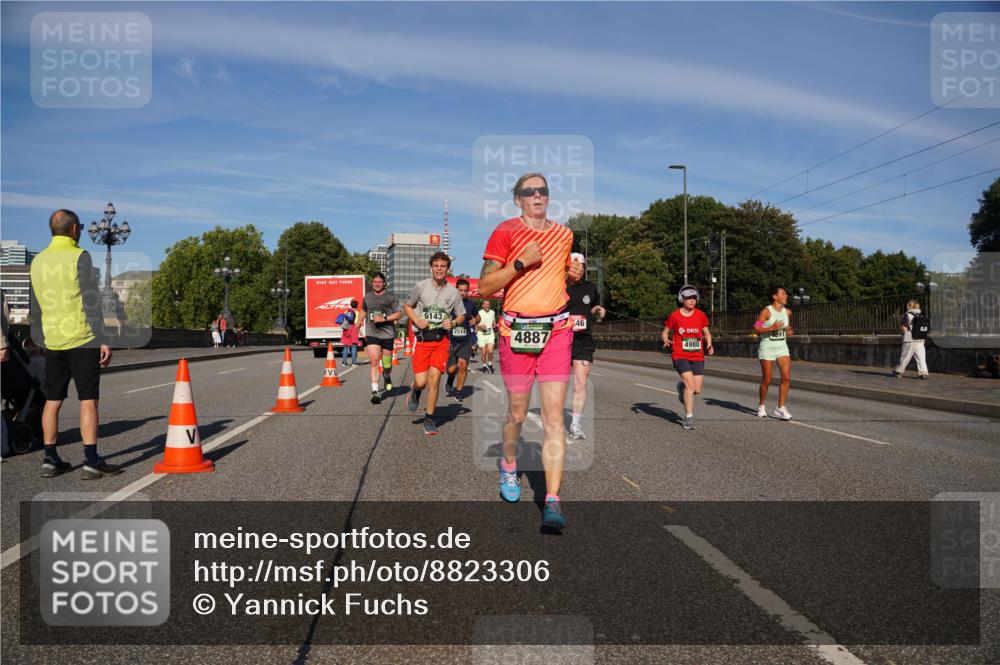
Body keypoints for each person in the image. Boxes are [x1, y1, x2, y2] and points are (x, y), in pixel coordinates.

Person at [479, 172, 583, 530]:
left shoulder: (564, 234)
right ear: (518, 199)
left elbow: (558, 276)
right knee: (518, 414)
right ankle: (509, 465)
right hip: (517, 332)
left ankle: (552, 500)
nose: (537, 195)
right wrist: (520, 262)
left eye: (543, 191)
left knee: (554, 419)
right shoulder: (505, 231)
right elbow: (484, 286)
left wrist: (571, 273)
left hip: (556, 332)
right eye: (529, 191)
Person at [29, 209, 120, 479]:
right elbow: (90, 301)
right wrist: (103, 339)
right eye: (79, 227)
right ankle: (91, 461)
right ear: (73, 229)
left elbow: (35, 305)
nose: (80, 230)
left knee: (52, 400)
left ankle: (50, 458)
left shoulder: (38, 261)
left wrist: (39, 338)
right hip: (82, 337)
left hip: (53, 339)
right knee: (88, 399)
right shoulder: (79, 256)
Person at [404, 252, 465, 435]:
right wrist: (416, 319)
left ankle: (429, 417)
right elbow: (407, 306)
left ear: (448, 269)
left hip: (441, 341)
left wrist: (453, 323)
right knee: (422, 382)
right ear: (431, 268)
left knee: (435, 379)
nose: (439, 269)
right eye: (436, 266)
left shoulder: (453, 292)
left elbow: (461, 315)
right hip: (422, 339)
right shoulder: (420, 286)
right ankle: (416, 391)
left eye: (443, 266)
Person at [662, 285, 714, 430]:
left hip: (697, 355)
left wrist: (709, 344)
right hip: (680, 355)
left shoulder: (701, 315)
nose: (692, 300)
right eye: (688, 298)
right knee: (690, 386)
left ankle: (681, 387)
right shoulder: (675, 316)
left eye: (694, 298)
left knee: (697, 390)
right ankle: (688, 417)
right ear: (682, 299)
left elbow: (707, 333)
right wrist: (666, 339)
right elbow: (665, 331)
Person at [565, 252, 605, 439]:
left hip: (583, 340)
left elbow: (596, 309)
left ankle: (575, 424)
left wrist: (598, 311)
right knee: (559, 382)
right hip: (561, 339)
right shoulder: (559, 286)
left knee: (580, 382)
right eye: (574, 266)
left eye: (581, 267)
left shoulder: (590, 288)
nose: (578, 270)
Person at [359, 273, 401, 403]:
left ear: (384, 283)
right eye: (375, 282)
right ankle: (375, 392)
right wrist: (358, 321)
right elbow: (364, 310)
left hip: (387, 333)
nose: (377, 284)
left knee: (387, 365)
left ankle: (386, 376)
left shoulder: (390, 297)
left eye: (379, 282)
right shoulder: (367, 297)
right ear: (372, 283)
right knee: (374, 362)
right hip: (372, 333)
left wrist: (385, 318)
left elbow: (399, 314)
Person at [754, 286, 793, 420]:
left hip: (782, 347)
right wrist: (771, 327)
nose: (786, 295)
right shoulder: (766, 311)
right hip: (767, 347)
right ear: (775, 297)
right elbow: (756, 328)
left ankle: (780, 408)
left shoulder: (788, 312)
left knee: (786, 377)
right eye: (783, 293)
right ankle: (761, 406)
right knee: (767, 379)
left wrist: (788, 331)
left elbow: (786, 327)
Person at [445, 279, 481, 400]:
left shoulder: (470, 304)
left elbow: (478, 317)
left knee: (463, 365)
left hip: (465, 340)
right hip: (451, 340)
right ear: (456, 290)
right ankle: (450, 378)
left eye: (465, 290)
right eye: (460, 290)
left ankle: (459, 390)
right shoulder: (449, 303)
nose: (463, 293)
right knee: (451, 369)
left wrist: (476, 320)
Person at [894, 299, 929, 379]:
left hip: (909, 339)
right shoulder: (921, 314)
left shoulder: (907, 315)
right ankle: (923, 373)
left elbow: (904, 327)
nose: (906, 306)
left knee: (905, 357)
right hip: (920, 338)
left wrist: (904, 334)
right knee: (921, 357)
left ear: (910, 306)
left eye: (907, 305)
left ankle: (899, 371)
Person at [477, 299, 497, 373]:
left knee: (490, 351)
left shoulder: (492, 312)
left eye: (488, 304)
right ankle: (484, 366)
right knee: (483, 352)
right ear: (483, 305)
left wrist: (494, 326)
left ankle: (490, 364)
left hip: (490, 334)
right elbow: (475, 324)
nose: (487, 306)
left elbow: (494, 323)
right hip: (481, 334)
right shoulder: (479, 313)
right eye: (486, 304)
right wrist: (481, 326)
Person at [339, 300, 360, 366]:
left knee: (345, 346)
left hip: (346, 329)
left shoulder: (347, 311)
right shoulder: (357, 312)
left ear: (351, 305)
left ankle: (344, 362)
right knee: (354, 346)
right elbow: (357, 322)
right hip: (353, 329)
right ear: (357, 305)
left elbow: (344, 320)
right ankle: (354, 362)